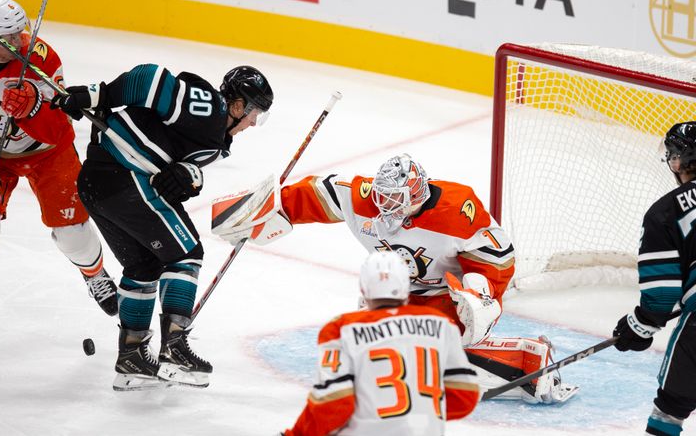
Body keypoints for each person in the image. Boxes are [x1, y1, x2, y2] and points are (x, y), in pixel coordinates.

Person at [215, 153, 577, 403]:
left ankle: (528, 358)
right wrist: (260, 211)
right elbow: (312, 192)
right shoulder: (363, 198)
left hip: (444, 298)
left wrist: (480, 296)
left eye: (394, 199)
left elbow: (497, 258)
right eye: (381, 195)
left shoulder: (455, 209)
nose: (383, 205)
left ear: (416, 195)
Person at [52, 64, 273, 391]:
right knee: (186, 253)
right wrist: (100, 94)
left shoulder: (215, 138)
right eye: (254, 112)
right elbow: (150, 79)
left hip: (99, 183)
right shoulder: (211, 106)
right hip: (122, 175)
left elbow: (172, 159)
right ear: (238, 105)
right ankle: (174, 350)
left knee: (143, 265)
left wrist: (188, 175)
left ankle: (133, 357)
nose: (254, 122)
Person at [0, 0, 118, 372]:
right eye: (10, 38)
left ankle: (95, 275)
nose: (22, 43)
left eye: (22, 33)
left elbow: (59, 132)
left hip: (46, 153)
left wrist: (32, 107)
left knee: (73, 235)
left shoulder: (42, 60)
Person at [282, 250, 479, 436]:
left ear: (363, 287)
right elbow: (465, 396)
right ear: (405, 286)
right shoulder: (442, 325)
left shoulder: (342, 328)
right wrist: (418, 415)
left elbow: (334, 403)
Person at [612, 121, 696, 436]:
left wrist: (639, 326)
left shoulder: (666, 210)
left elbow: (660, 297)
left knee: (670, 409)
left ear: (679, 161)